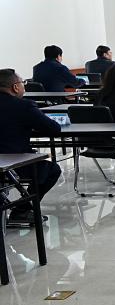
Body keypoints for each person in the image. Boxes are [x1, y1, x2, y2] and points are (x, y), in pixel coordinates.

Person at [0, 69, 62, 227]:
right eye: (23, 83)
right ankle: (22, 210)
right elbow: (53, 128)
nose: (24, 86)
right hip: (13, 164)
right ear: (15, 87)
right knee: (51, 169)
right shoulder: (23, 106)